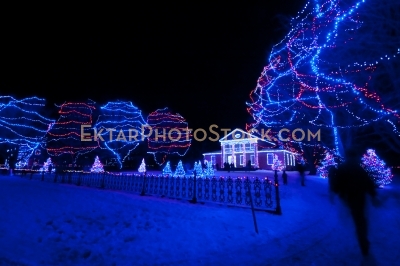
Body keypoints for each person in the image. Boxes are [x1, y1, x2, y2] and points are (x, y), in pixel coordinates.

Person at [329, 148, 378, 257]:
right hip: (359, 197)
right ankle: (363, 243)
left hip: (349, 198)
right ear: (354, 157)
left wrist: (335, 192)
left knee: (358, 219)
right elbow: (368, 183)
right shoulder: (359, 168)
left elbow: (338, 184)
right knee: (360, 220)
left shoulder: (343, 168)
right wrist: (373, 195)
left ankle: (362, 241)